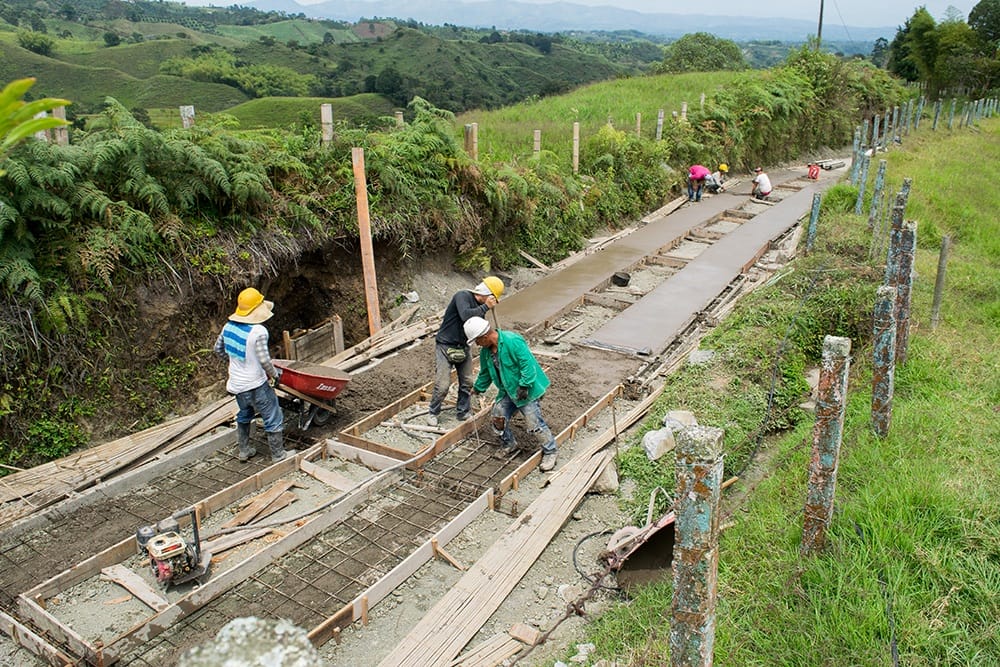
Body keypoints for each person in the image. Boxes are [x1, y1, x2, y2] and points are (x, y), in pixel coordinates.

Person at [464, 316, 558, 472]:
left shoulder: (512, 341)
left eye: (477, 341)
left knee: (534, 424)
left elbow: (527, 364)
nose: (477, 344)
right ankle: (509, 444)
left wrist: (524, 385)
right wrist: (478, 388)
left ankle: (551, 451)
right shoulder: (486, 352)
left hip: (526, 391)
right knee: (498, 417)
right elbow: (485, 373)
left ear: (484, 336)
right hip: (508, 391)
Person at [214, 287, 288, 463]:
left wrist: (234, 362)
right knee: (273, 415)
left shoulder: (228, 327)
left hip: (237, 385)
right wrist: (275, 375)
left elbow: (218, 349)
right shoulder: (258, 332)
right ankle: (278, 455)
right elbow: (264, 360)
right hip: (256, 385)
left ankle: (244, 450)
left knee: (244, 414)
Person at [427, 277, 504, 427]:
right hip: (445, 345)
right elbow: (465, 316)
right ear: (487, 294)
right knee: (442, 385)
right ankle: (433, 412)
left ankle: (463, 411)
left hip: (463, 346)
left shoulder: (480, 306)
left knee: (467, 382)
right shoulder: (462, 296)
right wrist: (486, 307)